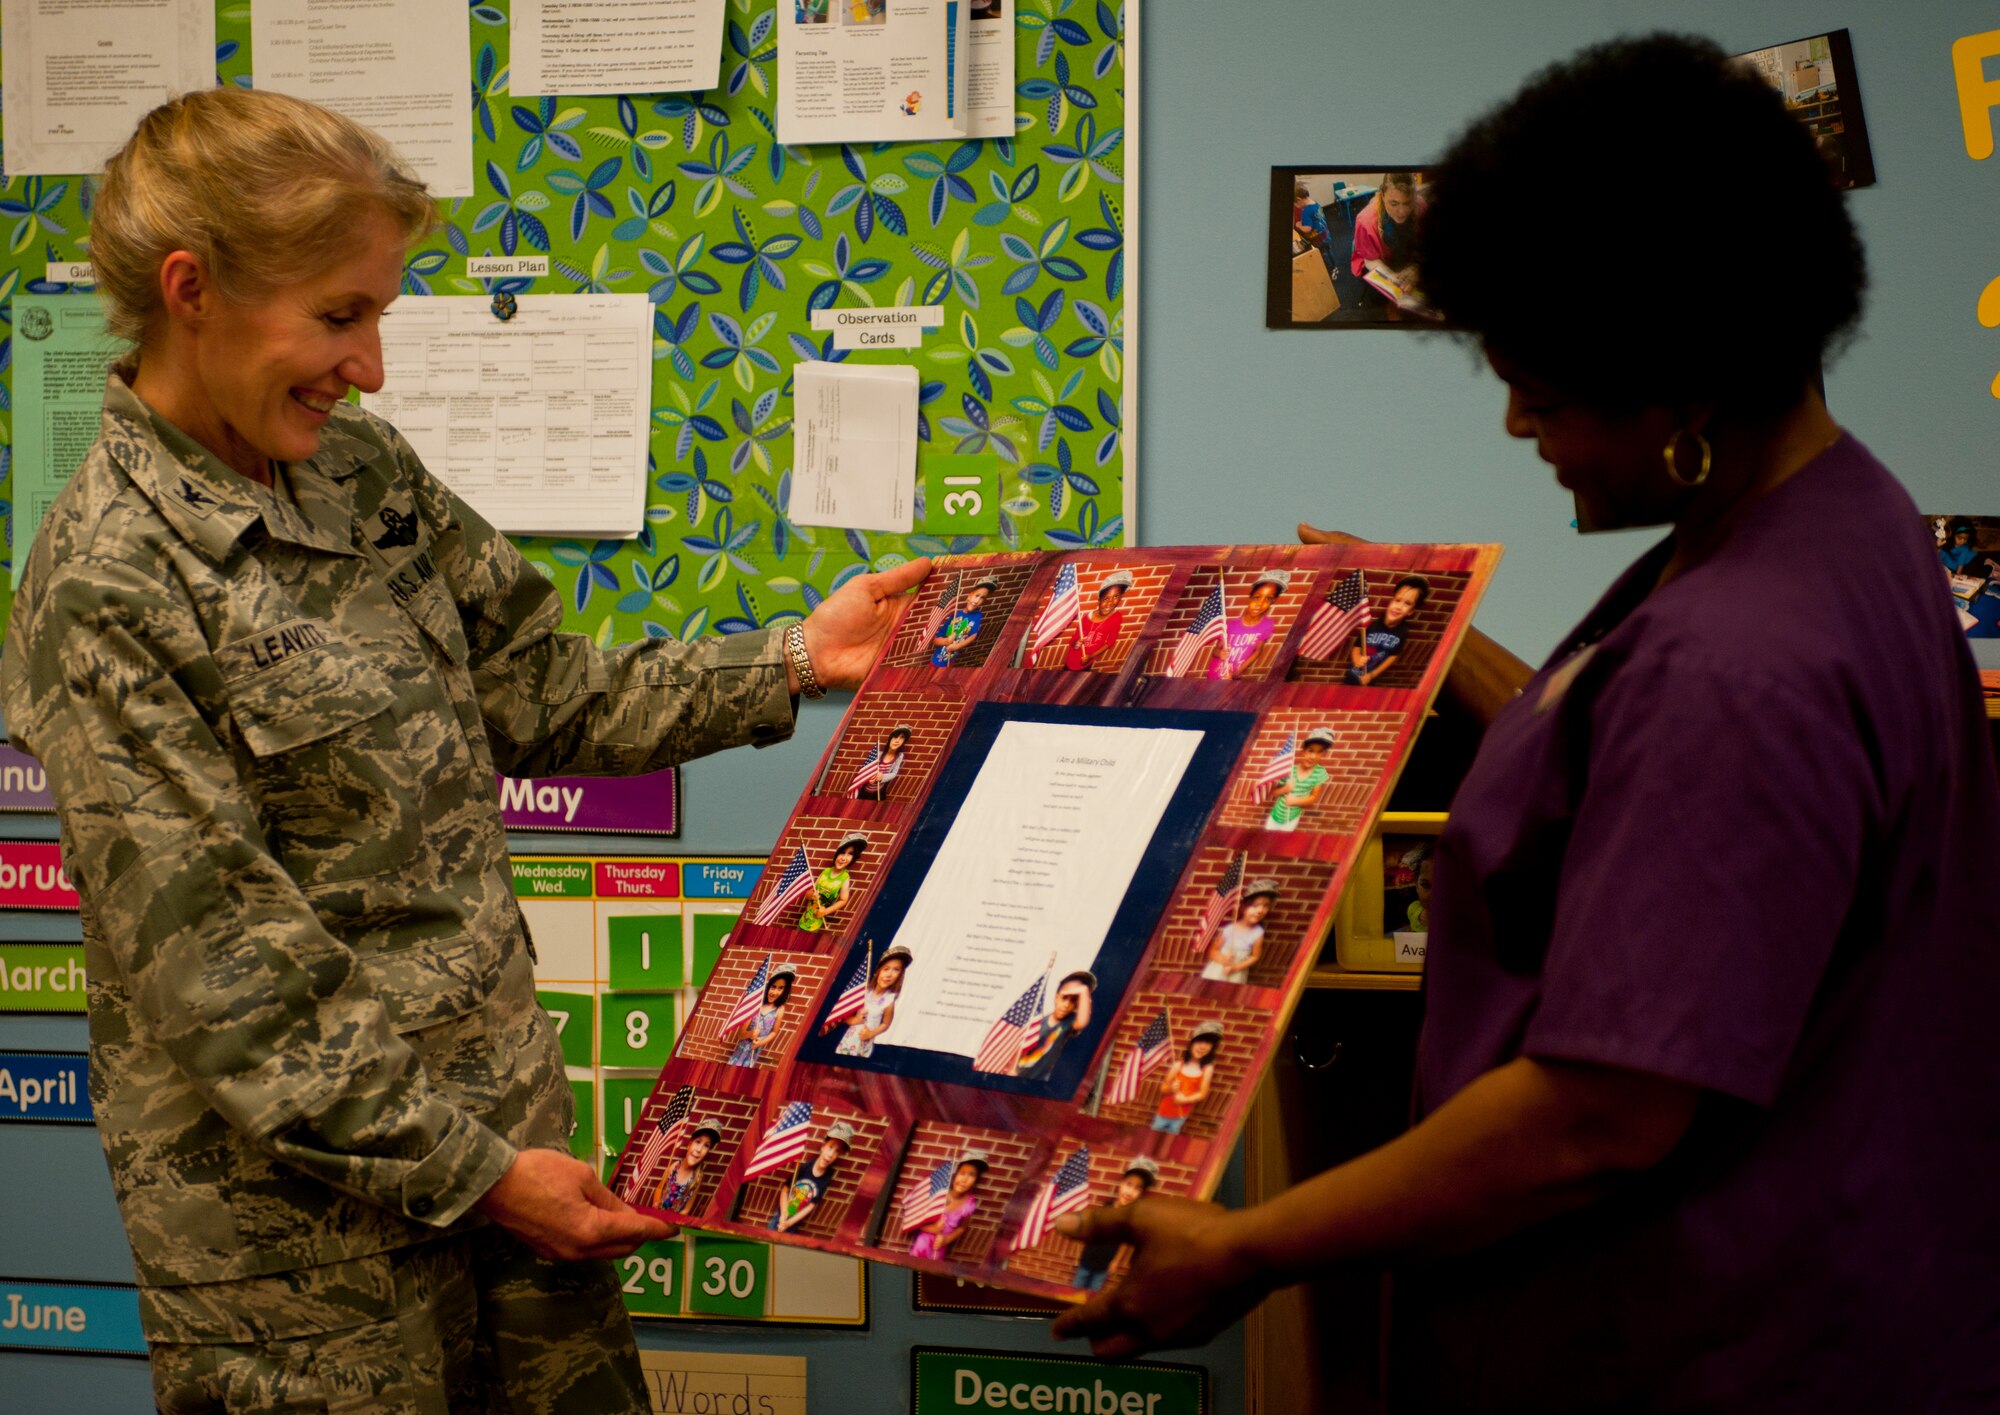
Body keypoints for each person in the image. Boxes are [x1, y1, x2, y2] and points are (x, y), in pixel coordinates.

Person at [1052, 37, 2000, 1415]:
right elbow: (1646, 749)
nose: (1512, 423)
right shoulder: (1837, 517)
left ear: (1684, 381)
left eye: (1543, 393)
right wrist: (1444, 650)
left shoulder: (1737, 661)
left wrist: (1248, 1241)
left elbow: (1599, 1111)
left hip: (1706, 1339)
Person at [0, 88, 931, 1415]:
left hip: (507, 1169)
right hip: (308, 1261)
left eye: (378, 313)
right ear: (189, 289)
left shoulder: (357, 473)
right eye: (338, 316)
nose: (370, 365)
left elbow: (545, 691)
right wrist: (482, 1171)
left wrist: (798, 657)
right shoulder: (109, 579)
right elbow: (227, 973)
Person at [1071, 1158, 1159, 1292]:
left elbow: (1124, 1241)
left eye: (1137, 1188)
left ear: (1141, 1193)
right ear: (1121, 1185)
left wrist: (1116, 1261)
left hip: (1104, 1267)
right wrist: (1080, 1252)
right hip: (1087, 1260)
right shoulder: (1106, 1208)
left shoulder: (1131, 1217)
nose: (1130, 1192)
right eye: (1128, 1184)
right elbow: (1091, 1231)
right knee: (1074, 1290)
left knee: (1093, 1294)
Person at [769, 1122, 854, 1233]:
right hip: (781, 1217)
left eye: (837, 1151)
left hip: (794, 1222)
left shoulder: (826, 1179)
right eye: (830, 1147)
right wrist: (784, 1215)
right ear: (823, 1146)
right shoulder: (804, 1168)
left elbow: (811, 1205)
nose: (830, 1154)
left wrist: (790, 1223)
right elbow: (785, 1190)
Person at [827, 945, 911, 1056]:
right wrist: (853, 1020)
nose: (889, 975)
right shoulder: (863, 992)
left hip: (864, 1044)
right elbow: (843, 1014)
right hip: (847, 1040)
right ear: (877, 972)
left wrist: (871, 1034)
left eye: (896, 970)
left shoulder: (889, 1001)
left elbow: (885, 1024)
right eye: (886, 969)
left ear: (900, 975)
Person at [1345, 574, 1430, 686]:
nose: (1399, 607)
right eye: (1397, 600)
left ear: (1411, 611)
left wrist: (1372, 675)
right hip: (1354, 674)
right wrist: (1357, 659)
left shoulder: (1403, 632)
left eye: (1407, 603)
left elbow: (1393, 656)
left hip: (1370, 678)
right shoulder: (1371, 625)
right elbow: (1357, 646)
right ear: (1391, 602)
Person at [1205, 569, 1287, 680]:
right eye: (1257, 598)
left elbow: (1257, 651)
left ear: (1274, 601)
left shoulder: (1268, 625)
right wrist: (1220, 654)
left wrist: (1238, 672)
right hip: (1216, 674)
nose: (1260, 604)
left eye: (1268, 599)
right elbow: (1214, 651)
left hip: (1234, 676)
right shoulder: (1230, 625)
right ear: (1251, 596)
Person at [1015, 970, 1096, 1081]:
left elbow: (1082, 1021)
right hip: (1020, 1076)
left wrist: (1084, 990)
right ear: (1057, 997)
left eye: (1073, 1000)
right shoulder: (1038, 1022)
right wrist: (1012, 1070)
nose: (1067, 1005)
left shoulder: (1070, 1022)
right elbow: (1020, 1048)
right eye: (1065, 997)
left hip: (1040, 1081)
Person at [908, 1151, 989, 1260]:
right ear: (955, 1175)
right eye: (962, 1173)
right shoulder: (939, 1194)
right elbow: (914, 1219)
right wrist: (933, 1228)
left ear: (976, 1180)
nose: (964, 1180)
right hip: (920, 1248)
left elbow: (962, 1227)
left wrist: (946, 1240)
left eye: (971, 1175)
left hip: (938, 1251)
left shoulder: (969, 1204)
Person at [1199, 879, 1278, 984]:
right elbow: (1212, 951)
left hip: (1236, 974)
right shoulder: (1229, 929)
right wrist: (1223, 960)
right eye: (1255, 905)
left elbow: (1255, 956)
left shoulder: (1258, 933)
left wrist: (1235, 967)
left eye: (1265, 906)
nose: (1260, 910)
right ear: (1244, 907)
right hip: (1217, 971)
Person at [1150, 1022, 1221, 1135]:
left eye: (1208, 1043)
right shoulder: (1178, 1065)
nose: (1203, 1046)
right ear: (1192, 1043)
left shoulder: (1207, 1069)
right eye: (1199, 1041)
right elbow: (1163, 1088)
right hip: (1163, 1112)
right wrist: (1171, 1089)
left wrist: (1185, 1100)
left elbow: (1202, 1094)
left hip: (1180, 1116)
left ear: (1212, 1047)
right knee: (1153, 1134)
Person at [1350, 170, 1423, 279]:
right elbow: (1370, 259)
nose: (1402, 211)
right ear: (1383, 195)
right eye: (1394, 203)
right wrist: (1393, 278)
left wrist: (1416, 268)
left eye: (1408, 202)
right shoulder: (1365, 222)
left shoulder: (1421, 205)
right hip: (1379, 261)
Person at [724, 964, 796, 1067]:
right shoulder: (755, 1005)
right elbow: (740, 1035)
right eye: (773, 987)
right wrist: (751, 1033)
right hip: (742, 1050)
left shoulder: (780, 1010)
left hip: (755, 1050)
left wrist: (761, 1043)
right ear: (768, 986)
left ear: (785, 990)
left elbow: (774, 1032)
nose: (775, 992)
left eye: (780, 988)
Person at [1264, 724, 1334, 831]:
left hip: (1291, 819)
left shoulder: (1320, 773)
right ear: (1303, 751)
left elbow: (1313, 798)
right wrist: (1285, 789)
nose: (1313, 757)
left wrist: (1295, 801)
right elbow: (1273, 793)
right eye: (1310, 750)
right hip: (1275, 816)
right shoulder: (1289, 770)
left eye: (1320, 752)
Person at [1061, 569, 1133, 670]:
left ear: (1121, 597)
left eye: (1116, 596)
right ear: (1099, 600)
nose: (1111, 603)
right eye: (1106, 599)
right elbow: (1074, 640)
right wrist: (1076, 643)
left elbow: (1110, 642)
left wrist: (1091, 656)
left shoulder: (1116, 618)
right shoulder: (1086, 618)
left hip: (1089, 660)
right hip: (1073, 658)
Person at [648, 1120, 722, 1215]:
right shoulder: (674, 1166)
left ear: (708, 1151)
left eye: (706, 1146)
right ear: (689, 1144)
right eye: (698, 1142)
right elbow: (659, 1188)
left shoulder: (697, 1178)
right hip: (658, 1215)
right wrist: (655, 1204)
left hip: (673, 1222)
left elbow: (687, 1209)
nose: (699, 1149)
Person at [798, 832, 867, 933]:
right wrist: (810, 895)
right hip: (803, 919)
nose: (844, 858)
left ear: (853, 859)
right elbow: (811, 891)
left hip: (815, 925)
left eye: (850, 854)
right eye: (842, 853)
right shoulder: (826, 871)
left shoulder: (845, 878)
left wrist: (826, 911)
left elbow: (843, 900)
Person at [930, 576, 997, 666]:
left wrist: (957, 646)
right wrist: (947, 641)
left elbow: (973, 636)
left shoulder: (977, 616)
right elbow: (936, 640)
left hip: (950, 662)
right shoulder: (955, 615)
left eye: (982, 598)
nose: (977, 601)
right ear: (969, 596)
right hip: (936, 661)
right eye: (976, 595)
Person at [852, 724, 912, 801]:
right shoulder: (878, 754)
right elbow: (866, 769)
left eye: (902, 738)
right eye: (895, 737)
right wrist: (869, 778)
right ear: (890, 739)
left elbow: (894, 773)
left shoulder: (899, 756)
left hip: (878, 793)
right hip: (864, 791)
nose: (897, 741)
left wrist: (883, 777)